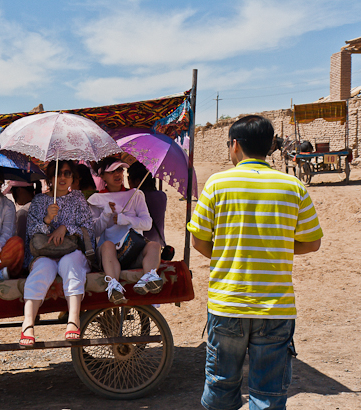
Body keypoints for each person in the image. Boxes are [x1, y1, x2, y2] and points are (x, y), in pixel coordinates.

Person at [187, 115, 323, 410]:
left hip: (227, 304)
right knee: (268, 394)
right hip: (275, 307)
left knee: (221, 386)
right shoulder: (293, 186)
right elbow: (312, 242)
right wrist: (278, 251)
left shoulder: (217, 184)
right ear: (271, 146)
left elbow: (198, 241)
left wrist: (230, 254)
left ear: (234, 146)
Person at [20, 160, 94, 347]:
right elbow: (30, 233)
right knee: (42, 269)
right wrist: (47, 219)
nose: (62, 177)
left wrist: (64, 227)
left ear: (73, 177)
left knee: (70, 264)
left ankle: (73, 320)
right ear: (50, 178)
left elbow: (88, 229)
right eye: (57, 173)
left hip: (71, 250)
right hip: (45, 253)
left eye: (67, 173)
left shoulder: (78, 199)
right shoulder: (39, 201)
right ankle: (28, 324)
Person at [88, 157, 164, 304]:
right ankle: (114, 286)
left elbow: (147, 223)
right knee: (108, 245)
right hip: (108, 253)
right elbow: (93, 232)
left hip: (133, 249)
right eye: (112, 171)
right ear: (102, 176)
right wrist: (105, 215)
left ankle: (149, 278)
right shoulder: (96, 199)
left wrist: (127, 219)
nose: (117, 174)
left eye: (120, 170)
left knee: (154, 245)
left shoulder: (136, 195)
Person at [127, 162, 175, 261]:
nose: (127, 181)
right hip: (159, 244)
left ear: (137, 181)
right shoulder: (162, 196)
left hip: (141, 247)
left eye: (129, 178)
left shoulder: (135, 198)